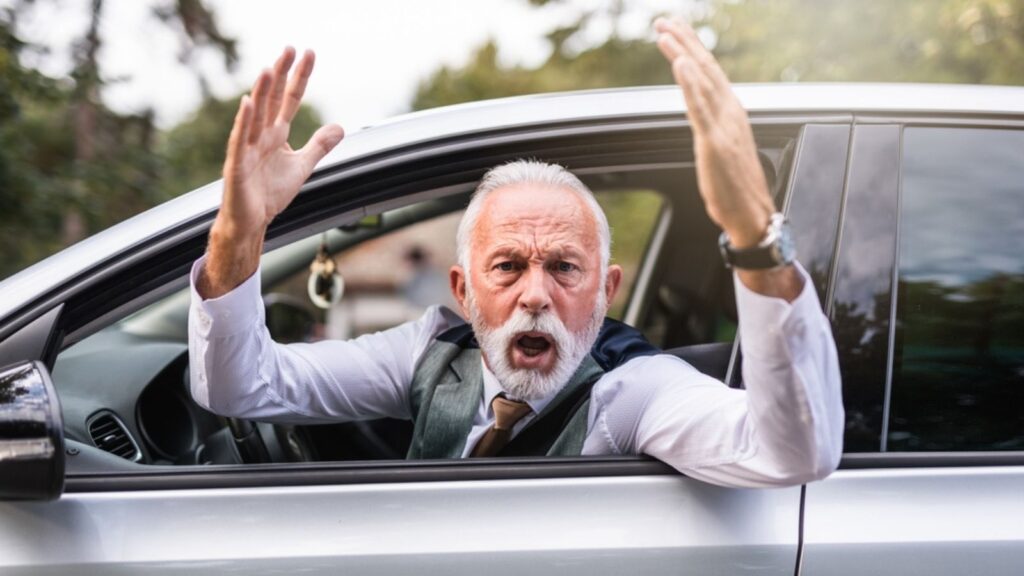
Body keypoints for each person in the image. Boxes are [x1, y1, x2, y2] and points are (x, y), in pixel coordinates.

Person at [188, 17, 844, 487]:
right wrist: (238, 233)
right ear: (463, 290)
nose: (535, 295)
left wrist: (754, 237)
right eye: (507, 266)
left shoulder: (634, 388)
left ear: (607, 290)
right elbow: (240, 385)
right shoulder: (427, 353)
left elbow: (792, 454)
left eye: (564, 268)